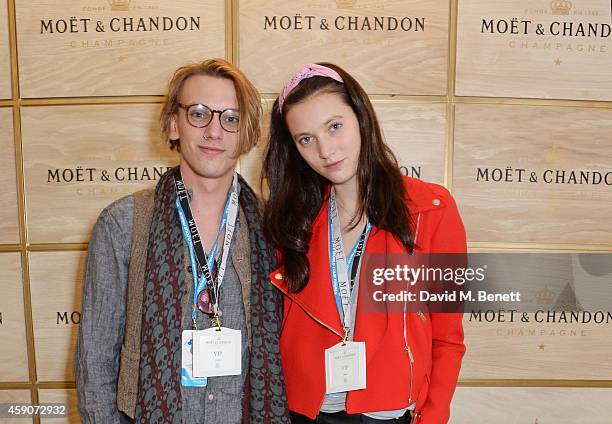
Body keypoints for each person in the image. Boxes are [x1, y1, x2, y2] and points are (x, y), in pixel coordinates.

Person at [75, 58, 290, 424]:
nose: (214, 131)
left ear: (247, 133)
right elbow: (95, 362)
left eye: (231, 118)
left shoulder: (275, 228)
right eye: (199, 113)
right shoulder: (123, 223)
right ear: (174, 124)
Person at [262, 63, 466, 424]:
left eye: (335, 127)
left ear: (361, 117)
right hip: (304, 412)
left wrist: (433, 417)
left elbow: (447, 339)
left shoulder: (431, 209)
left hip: (388, 412)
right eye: (305, 139)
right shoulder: (292, 220)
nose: (325, 150)